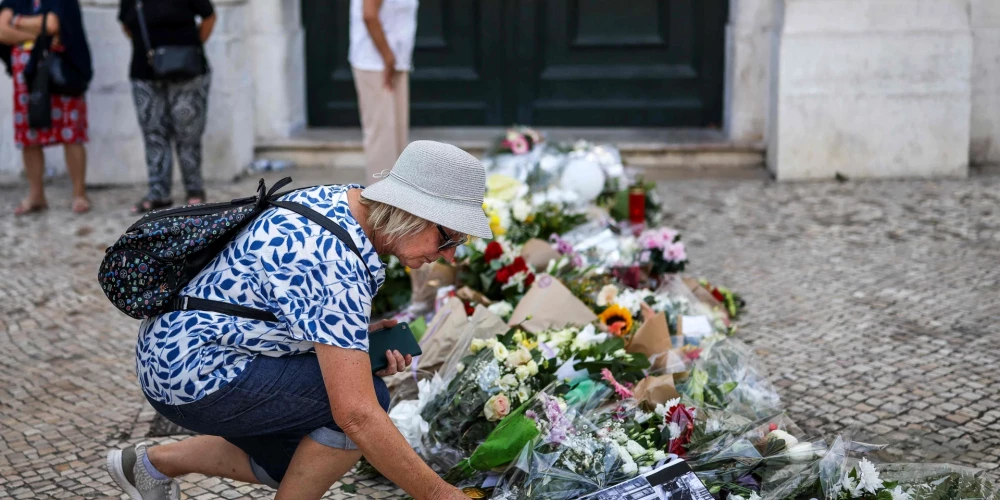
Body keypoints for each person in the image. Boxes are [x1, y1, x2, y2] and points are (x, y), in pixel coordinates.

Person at [105, 141, 493, 500]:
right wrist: (441, 494)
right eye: (447, 239)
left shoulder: (344, 202)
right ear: (414, 213)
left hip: (172, 348)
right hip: (193, 371)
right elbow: (356, 415)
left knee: (296, 465)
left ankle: (151, 465)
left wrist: (356, 339)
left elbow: (291, 302)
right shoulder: (334, 262)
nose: (450, 257)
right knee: (364, 406)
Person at [117, 0, 215, 213]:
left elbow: (209, 17)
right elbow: (127, 25)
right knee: (154, 134)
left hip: (188, 71)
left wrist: (194, 46)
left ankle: (194, 190)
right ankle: (159, 194)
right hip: (146, 74)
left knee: (188, 133)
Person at [0, 0, 92, 216]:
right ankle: (36, 195)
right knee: (28, 136)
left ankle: (79, 193)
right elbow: (1, 31)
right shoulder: (14, 1)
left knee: (71, 133)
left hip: (61, 73)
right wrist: (37, 34)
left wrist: (16, 22)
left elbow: (53, 25)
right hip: (27, 78)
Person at [350, 0, 417, 183]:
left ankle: (394, 204)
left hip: (395, 63)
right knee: (382, 143)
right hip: (377, 63)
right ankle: (379, 206)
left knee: (396, 141)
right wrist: (388, 57)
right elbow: (369, 14)